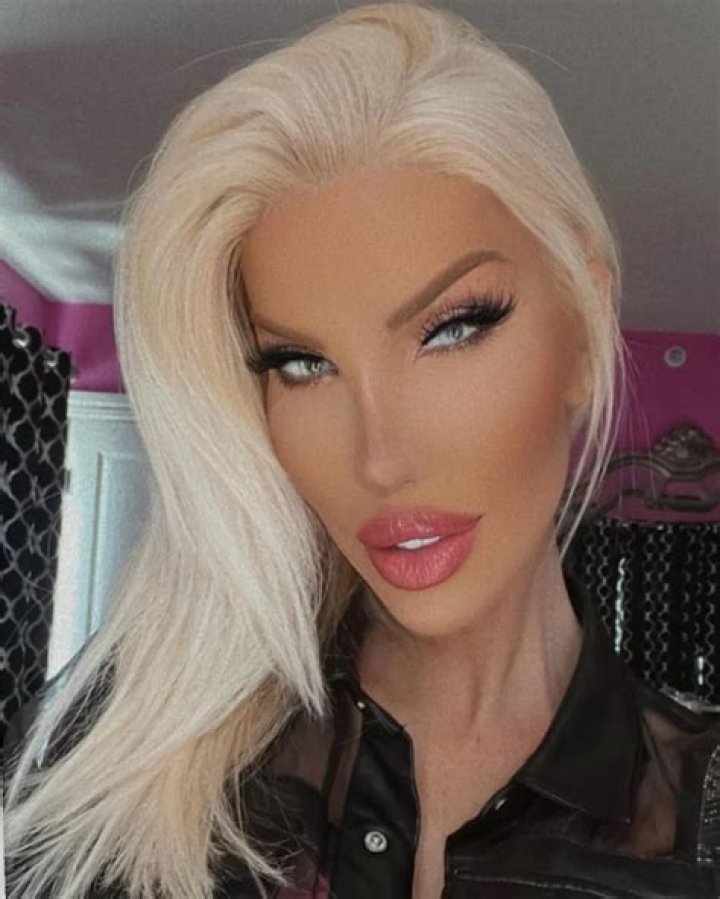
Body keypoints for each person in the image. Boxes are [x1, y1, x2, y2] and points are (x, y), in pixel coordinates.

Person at [4, 3, 720, 897]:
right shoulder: (100, 765)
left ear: (584, 326)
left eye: (452, 328)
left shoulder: (701, 817)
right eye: (301, 363)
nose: (379, 460)